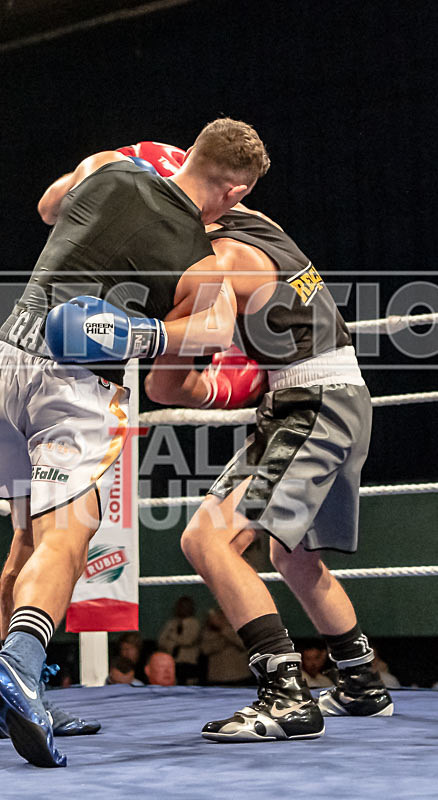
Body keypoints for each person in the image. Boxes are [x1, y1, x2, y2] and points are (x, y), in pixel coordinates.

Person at [0, 119, 270, 767]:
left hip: (5, 357)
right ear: (235, 191)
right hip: (72, 382)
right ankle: (18, 665)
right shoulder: (200, 257)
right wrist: (143, 335)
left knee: (27, 538)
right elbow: (211, 333)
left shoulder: (107, 164)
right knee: (67, 535)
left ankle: (22, 698)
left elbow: (49, 205)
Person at [146, 201, 393, 743]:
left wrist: (141, 335)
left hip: (309, 404)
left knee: (207, 539)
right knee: (293, 554)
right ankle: (361, 683)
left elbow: (163, 387)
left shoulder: (214, 264)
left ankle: (286, 697)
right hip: (343, 395)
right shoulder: (258, 222)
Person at [200, 608, 252, 686]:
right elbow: (205, 650)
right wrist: (223, 641)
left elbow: (244, 645)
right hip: (217, 677)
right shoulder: (208, 631)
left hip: (239, 676)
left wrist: (224, 630)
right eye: (219, 617)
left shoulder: (240, 628)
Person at [158, 596, 200, 684]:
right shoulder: (171, 623)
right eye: (181, 606)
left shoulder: (195, 623)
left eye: (186, 606)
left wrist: (172, 637)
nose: (183, 608)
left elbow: (188, 641)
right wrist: (173, 643)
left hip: (188, 663)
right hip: (172, 663)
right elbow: (161, 641)